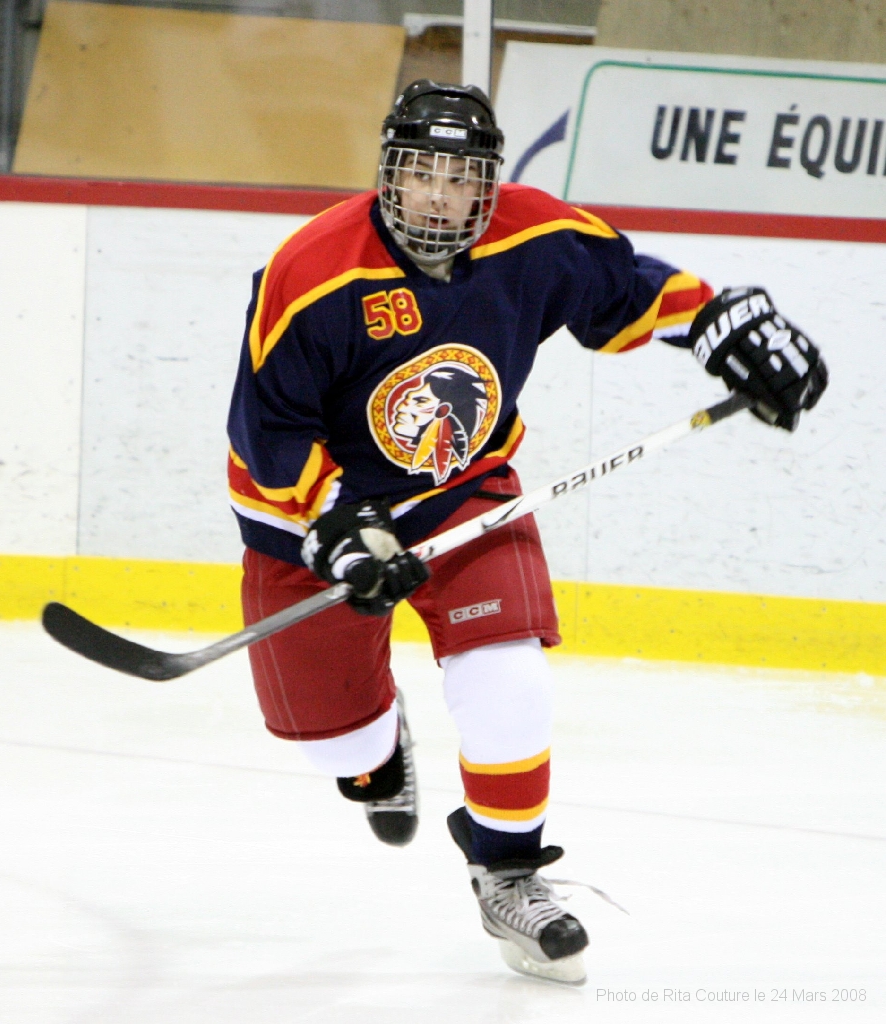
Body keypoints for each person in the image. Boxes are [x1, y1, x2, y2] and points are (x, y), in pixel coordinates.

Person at [227, 80, 827, 984]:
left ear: (489, 184)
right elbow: (265, 433)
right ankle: (377, 756)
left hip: (463, 494)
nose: (438, 197)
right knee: (336, 748)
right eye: (420, 174)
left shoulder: (530, 233)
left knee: (506, 674)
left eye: (459, 179)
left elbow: (625, 287)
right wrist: (335, 526)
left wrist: (717, 322)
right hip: (317, 516)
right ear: (388, 173)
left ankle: (508, 873)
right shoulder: (310, 272)